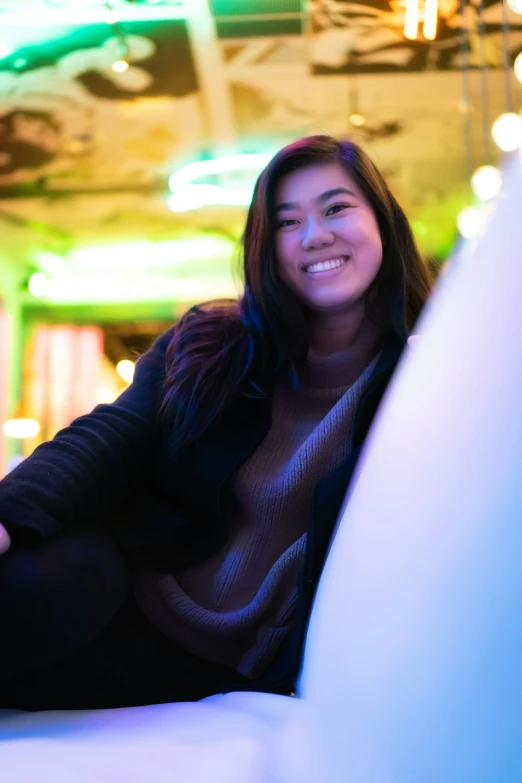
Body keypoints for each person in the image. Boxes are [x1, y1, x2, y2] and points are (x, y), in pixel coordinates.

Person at [0, 135, 433, 711]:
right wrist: (8, 515)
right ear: (266, 246)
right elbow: (109, 434)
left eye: (336, 208)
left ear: (382, 221)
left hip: (237, 664)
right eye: (286, 221)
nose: (314, 235)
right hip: (134, 594)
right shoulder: (210, 342)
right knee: (53, 572)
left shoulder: (429, 376)